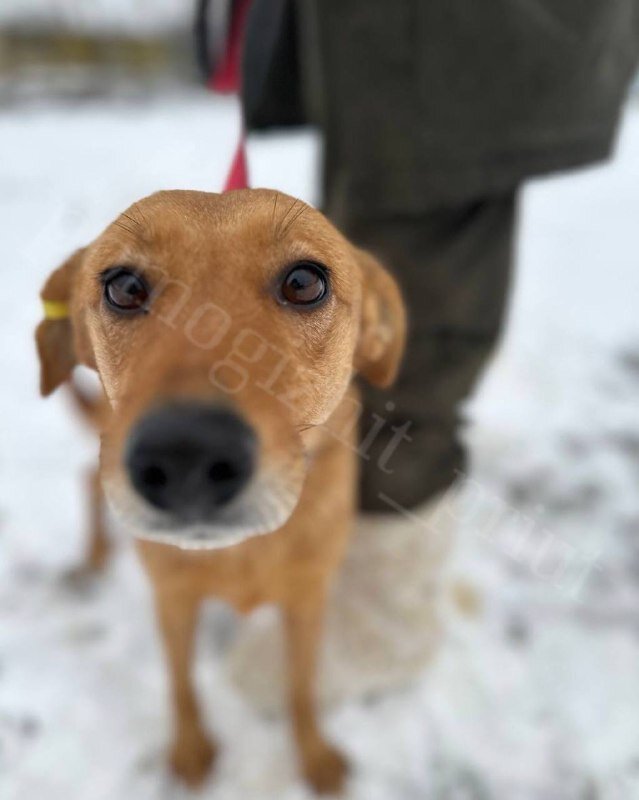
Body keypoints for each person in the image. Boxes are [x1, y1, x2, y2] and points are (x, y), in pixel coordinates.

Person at [200, 0, 639, 706]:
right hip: (388, 53)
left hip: (443, 46)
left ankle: (385, 625)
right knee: (350, 306)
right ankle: (354, 574)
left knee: (402, 360)